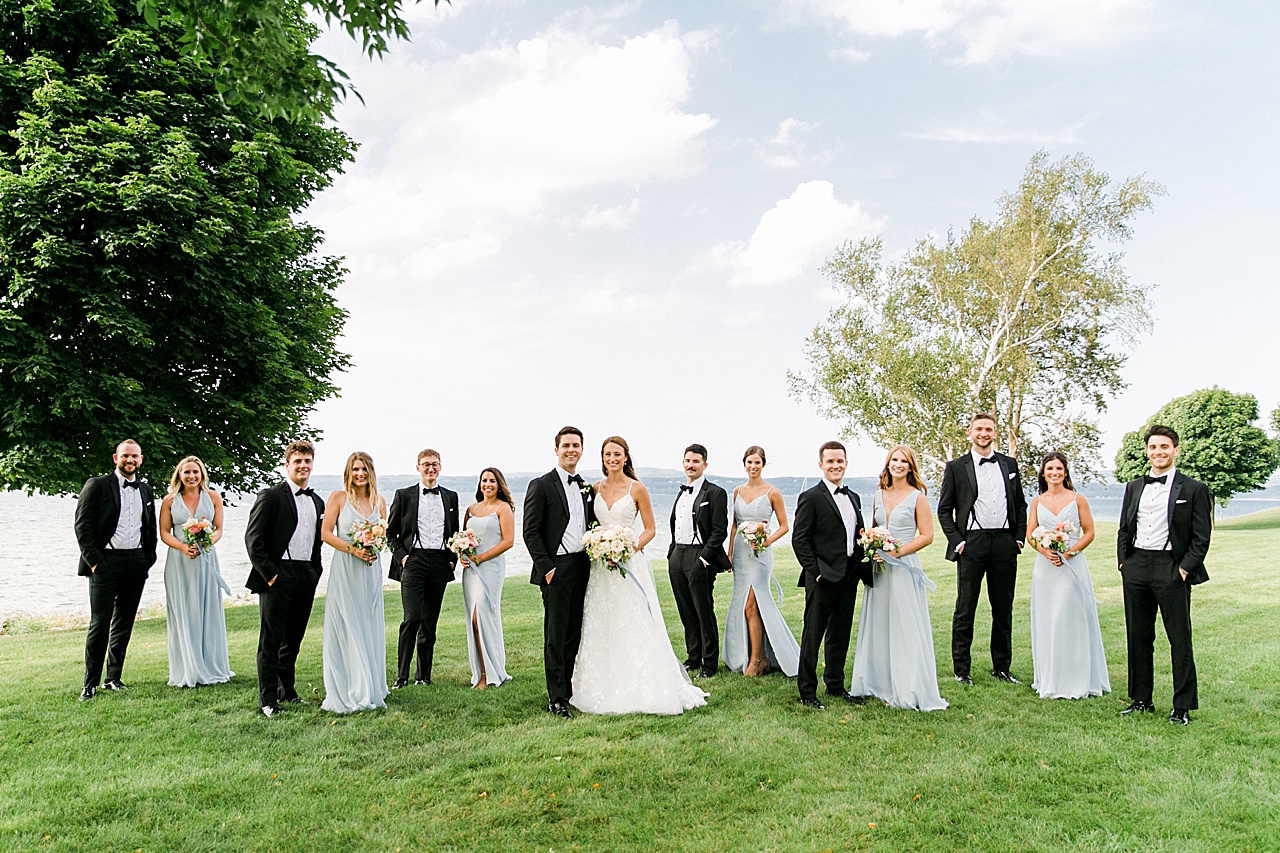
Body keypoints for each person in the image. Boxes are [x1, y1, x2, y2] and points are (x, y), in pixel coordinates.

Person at [572, 436, 708, 715]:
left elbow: (649, 529)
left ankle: (642, 682)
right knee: (601, 619)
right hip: (600, 567)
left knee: (631, 619)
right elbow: (588, 524)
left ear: (626, 457)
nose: (612, 459)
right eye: (608, 454)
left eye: (617, 454)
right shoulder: (594, 488)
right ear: (602, 457)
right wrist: (600, 545)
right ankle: (601, 682)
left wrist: (627, 547)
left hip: (627, 562)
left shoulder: (637, 488)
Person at [1117, 424, 1211, 725]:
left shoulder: (1194, 489)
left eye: (1164, 447)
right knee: (1138, 636)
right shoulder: (1134, 487)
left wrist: (1184, 569)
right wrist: (1124, 563)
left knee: (1179, 639)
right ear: (1148, 451)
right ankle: (1141, 699)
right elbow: (1124, 528)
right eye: (1153, 447)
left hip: (1171, 568)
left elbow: (1201, 537)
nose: (1158, 452)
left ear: (1176, 450)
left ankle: (1182, 707)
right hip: (1136, 567)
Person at [848, 445, 946, 711]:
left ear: (910, 466)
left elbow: (927, 535)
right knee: (879, 620)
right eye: (894, 460)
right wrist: (872, 546)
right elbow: (871, 529)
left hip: (903, 565)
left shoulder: (918, 497)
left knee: (904, 623)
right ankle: (877, 682)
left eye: (904, 461)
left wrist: (897, 551)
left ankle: (906, 685)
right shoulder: (878, 494)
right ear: (888, 464)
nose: (899, 464)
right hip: (879, 567)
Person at [937, 412, 1028, 686]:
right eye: (979, 429)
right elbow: (944, 510)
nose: (984, 433)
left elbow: (1021, 504)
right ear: (970, 432)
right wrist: (959, 541)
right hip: (972, 543)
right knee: (966, 607)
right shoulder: (956, 467)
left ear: (995, 433)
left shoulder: (1009, 464)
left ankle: (1002, 667)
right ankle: (961, 670)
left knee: (1003, 608)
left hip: (1004, 542)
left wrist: (1019, 537)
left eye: (989, 429)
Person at [244, 440, 326, 717]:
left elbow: (317, 542)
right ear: (287, 464)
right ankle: (268, 700)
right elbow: (254, 540)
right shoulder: (271, 496)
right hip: (278, 574)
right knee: (271, 641)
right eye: (298, 462)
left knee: (293, 638)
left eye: (307, 461)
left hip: (305, 574)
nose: (303, 466)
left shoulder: (317, 501)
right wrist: (271, 575)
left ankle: (286, 691)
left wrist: (316, 571)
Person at [74, 439, 158, 701]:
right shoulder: (97, 485)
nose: (130, 460)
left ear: (141, 460)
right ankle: (90, 683)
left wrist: (148, 558)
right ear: (115, 458)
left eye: (134, 456)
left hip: (136, 562)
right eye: (125, 456)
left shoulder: (145, 489)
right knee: (100, 622)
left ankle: (113, 678)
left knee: (125, 621)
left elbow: (150, 527)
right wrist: (96, 561)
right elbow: (82, 526)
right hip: (105, 562)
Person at [791, 440, 871, 709]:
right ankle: (807, 692)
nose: (835, 466)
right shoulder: (811, 497)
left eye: (840, 461)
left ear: (846, 463)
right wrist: (815, 572)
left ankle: (835, 686)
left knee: (840, 634)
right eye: (830, 461)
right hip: (822, 578)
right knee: (813, 635)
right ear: (821, 465)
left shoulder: (854, 497)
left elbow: (857, 536)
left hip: (849, 575)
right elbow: (799, 540)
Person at [523, 426, 596, 718]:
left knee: (574, 632)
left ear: (581, 449)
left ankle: (568, 690)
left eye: (576, 445)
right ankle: (555, 699)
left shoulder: (585, 487)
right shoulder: (541, 485)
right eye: (566, 445)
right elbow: (530, 531)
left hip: (582, 565)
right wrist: (548, 568)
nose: (571, 450)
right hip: (557, 568)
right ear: (556, 450)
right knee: (555, 634)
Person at [1027, 452, 1109, 700]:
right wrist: (1044, 550)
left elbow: (1089, 531)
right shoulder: (1037, 502)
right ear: (1043, 473)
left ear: (1065, 472)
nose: (1054, 472)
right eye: (1050, 468)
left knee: (1070, 617)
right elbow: (1031, 534)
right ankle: (1051, 677)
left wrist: (1070, 553)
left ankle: (1077, 678)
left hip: (1071, 567)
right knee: (1049, 619)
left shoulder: (1077, 499)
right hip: (1045, 570)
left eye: (1059, 468)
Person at [318, 452, 390, 713]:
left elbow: (383, 535)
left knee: (368, 624)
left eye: (364, 469)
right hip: (347, 568)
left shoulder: (379, 501)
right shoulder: (338, 498)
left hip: (370, 570)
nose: (360, 473)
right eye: (355, 469)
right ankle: (349, 687)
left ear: (371, 472)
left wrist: (374, 546)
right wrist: (353, 549)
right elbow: (326, 533)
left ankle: (370, 686)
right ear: (349, 472)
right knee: (347, 624)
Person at [387, 449, 460, 689]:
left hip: (439, 561)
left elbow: (455, 532)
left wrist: (451, 560)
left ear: (440, 467)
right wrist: (404, 558)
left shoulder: (451, 497)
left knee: (430, 621)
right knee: (412, 618)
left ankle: (423, 676)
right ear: (418, 467)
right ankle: (402, 676)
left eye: (435, 464)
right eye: (426, 464)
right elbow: (391, 533)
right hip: (414, 561)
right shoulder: (404, 495)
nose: (431, 468)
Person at [724, 445, 799, 678]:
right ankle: (759, 657)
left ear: (763, 465)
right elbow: (734, 525)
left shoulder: (772, 492)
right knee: (743, 605)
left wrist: (766, 542)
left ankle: (757, 660)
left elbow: (785, 525)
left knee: (751, 605)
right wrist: (729, 552)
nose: (753, 466)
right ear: (744, 465)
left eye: (757, 462)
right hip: (740, 554)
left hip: (760, 556)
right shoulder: (737, 491)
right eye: (749, 462)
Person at [158, 456, 233, 688]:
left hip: (206, 559)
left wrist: (210, 540)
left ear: (202, 474)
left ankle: (210, 666)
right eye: (187, 472)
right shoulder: (169, 501)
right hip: (179, 562)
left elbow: (219, 528)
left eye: (196, 472)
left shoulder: (213, 497)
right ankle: (187, 668)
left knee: (207, 609)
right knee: (184, 610)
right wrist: (183, 546)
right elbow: (164, 533)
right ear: (179, 475)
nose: (191, 476)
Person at [666, 443, 731, 678]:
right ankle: (693, 658)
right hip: (678, 556)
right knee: (686, 611)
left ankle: (709, 663)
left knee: (703, 610)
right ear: (683, 463)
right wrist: (672, 552)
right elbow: (675, 525)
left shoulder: (715, 493)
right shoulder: (682, 491)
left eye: (695, 461)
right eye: (687, 461)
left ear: (705, 464)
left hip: (699, 556)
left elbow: (718, 531)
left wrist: (704, 557)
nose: (690, 465)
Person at [459, 467, 516, 689]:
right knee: (472, 619)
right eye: (484, 480)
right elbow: (463, 537)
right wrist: (462, 555)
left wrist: (481, 557)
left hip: (490, 569)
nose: (488, 485)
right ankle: (481, 671)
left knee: (481, 617)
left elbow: (508, 541)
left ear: (499, 484)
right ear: (480, 483)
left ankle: (489, 673)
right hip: (470, 571)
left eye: (492, 481)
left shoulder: (503, 509)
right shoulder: (471, 509)